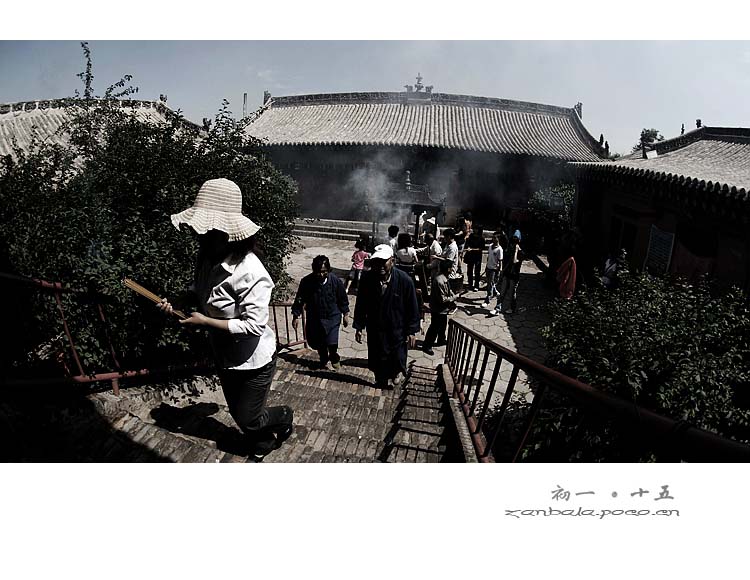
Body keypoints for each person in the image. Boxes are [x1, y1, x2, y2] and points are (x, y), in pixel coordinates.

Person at [159, 177, 293, 461]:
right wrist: (182, 300)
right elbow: (202, 290)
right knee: (238, 413)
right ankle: (264, 440)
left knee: (248, 418)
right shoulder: (207, 256)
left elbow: (253, 325)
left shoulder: (251, 272)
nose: (199, 235)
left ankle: (284, 416)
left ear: (227, 232)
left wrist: (205, 322)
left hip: (253, 359)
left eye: (207, 230)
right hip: (224, 353)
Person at [353, 244, 420, 389]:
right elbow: (361, 303)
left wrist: (412, 331)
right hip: (375, 327)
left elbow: (412, 307)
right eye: (376, 262)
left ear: (392, 261)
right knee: (377, 356)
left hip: (397, 328)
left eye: (384, 261)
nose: (380, 266)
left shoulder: (405, 280)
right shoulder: (367, 279)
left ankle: (396, 372)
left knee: (397, 356)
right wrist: (359, 326)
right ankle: (380, 379)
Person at [292, 255, 350, 371]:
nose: (321, 275)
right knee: (318, 342)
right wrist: (295, 315)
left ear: (328, 270)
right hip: (315, 317)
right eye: (318, 272)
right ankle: (323, 358)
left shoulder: (335, 281)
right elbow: (300, 299)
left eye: (324, 272)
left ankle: (334, 357)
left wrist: (345, 314)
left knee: (332, 342)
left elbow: (342, 298)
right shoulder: (306, 282)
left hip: (332, 316)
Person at [422, 257, 457, 356]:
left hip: (443, 309)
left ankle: (441, 339)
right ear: (448, 269)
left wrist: (451, 293)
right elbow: (443, 299)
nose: (452, 269)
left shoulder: (444, 278)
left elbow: (447, 290)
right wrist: (454, 297)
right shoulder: (439, 281)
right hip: (438, 309)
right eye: (451, 267)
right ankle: (427, 345)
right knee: (434, 327)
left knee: (443, 325)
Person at [489, 233, 524, 316]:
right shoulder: (510, 250)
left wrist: (516, 251)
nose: (512, 245)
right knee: (502, 292)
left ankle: (512, 308)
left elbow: (515, 261)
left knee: (511, 293)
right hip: (507, 274)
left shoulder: (521, 253)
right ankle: (497, 308)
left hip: (514, 276)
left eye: (514, 243)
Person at [484, 231, 506, 305]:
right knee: (490, 282)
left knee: (490, 283)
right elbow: (488, 256)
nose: (493, 239)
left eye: (495, 238)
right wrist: (486, 266)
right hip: (488, 267)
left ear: (498, 239)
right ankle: (495, 292)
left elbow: (500, 260)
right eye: (493, 237)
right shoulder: (490, 246)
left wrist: (500, 270)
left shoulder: (500, 249)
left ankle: (488, 298)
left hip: (494, 269)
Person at [463, 225, 485, 291]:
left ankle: (476, 285)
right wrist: (468, 247)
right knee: (469, 271)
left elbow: (481, 248)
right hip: (470, 256)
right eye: (474, 229)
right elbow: (467, 244)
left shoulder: (481, 238)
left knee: (477, 271)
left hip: (477, 257)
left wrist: (472, 249)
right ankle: (470, 284)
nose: (475, 230)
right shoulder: (471, 236)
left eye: (476, 229)